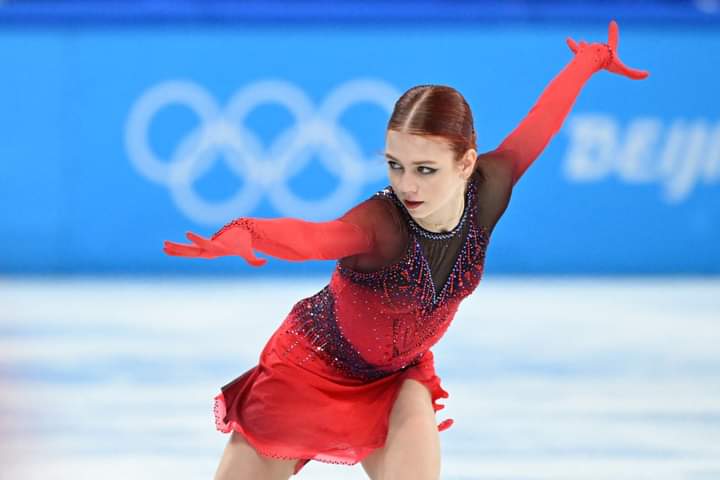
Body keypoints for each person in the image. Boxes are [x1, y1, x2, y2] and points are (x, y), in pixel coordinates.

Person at [164, 20, 648, 480]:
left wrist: (587, 62)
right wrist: (249, 232)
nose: (407, 185)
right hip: (307, 367)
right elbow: (314, 237)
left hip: (396, 379)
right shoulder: (381, 225)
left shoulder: (493, 187)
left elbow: (540, 124)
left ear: (466, 164)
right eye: (395, 165)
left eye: (425, 169)